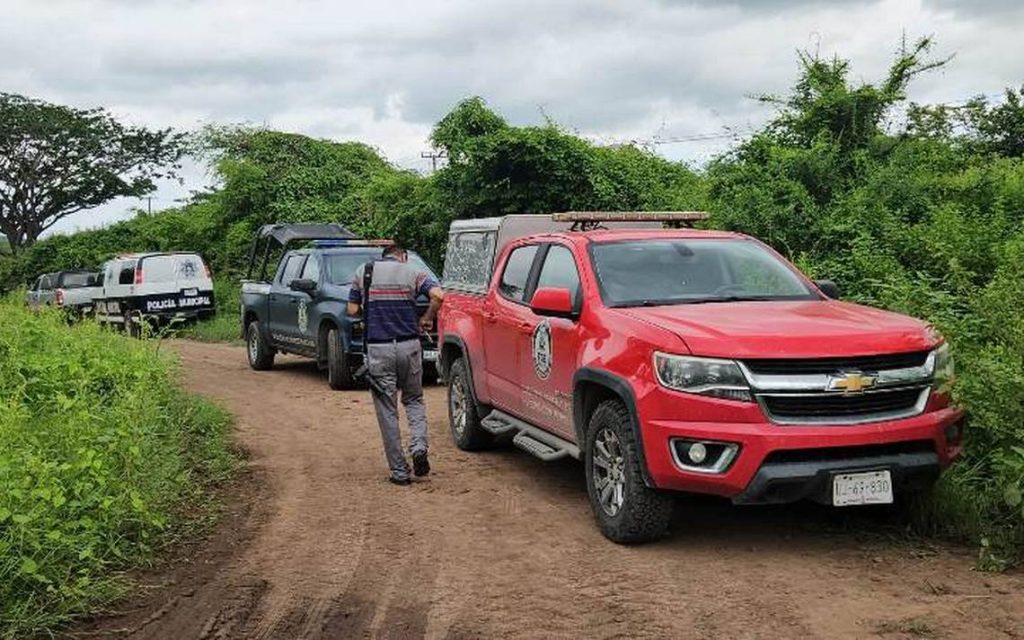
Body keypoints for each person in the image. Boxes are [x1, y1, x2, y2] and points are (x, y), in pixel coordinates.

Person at [348, 243, 444, 486]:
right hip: (409, 346)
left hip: (378, 349)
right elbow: (438, 295)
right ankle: (419, 447)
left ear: (383, 257)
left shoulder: (363, 272)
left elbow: (352, 309)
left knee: (387, 409)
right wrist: (427, 317)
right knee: (414, 400)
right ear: (403, 256)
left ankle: (400, 472)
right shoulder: (412, 272)